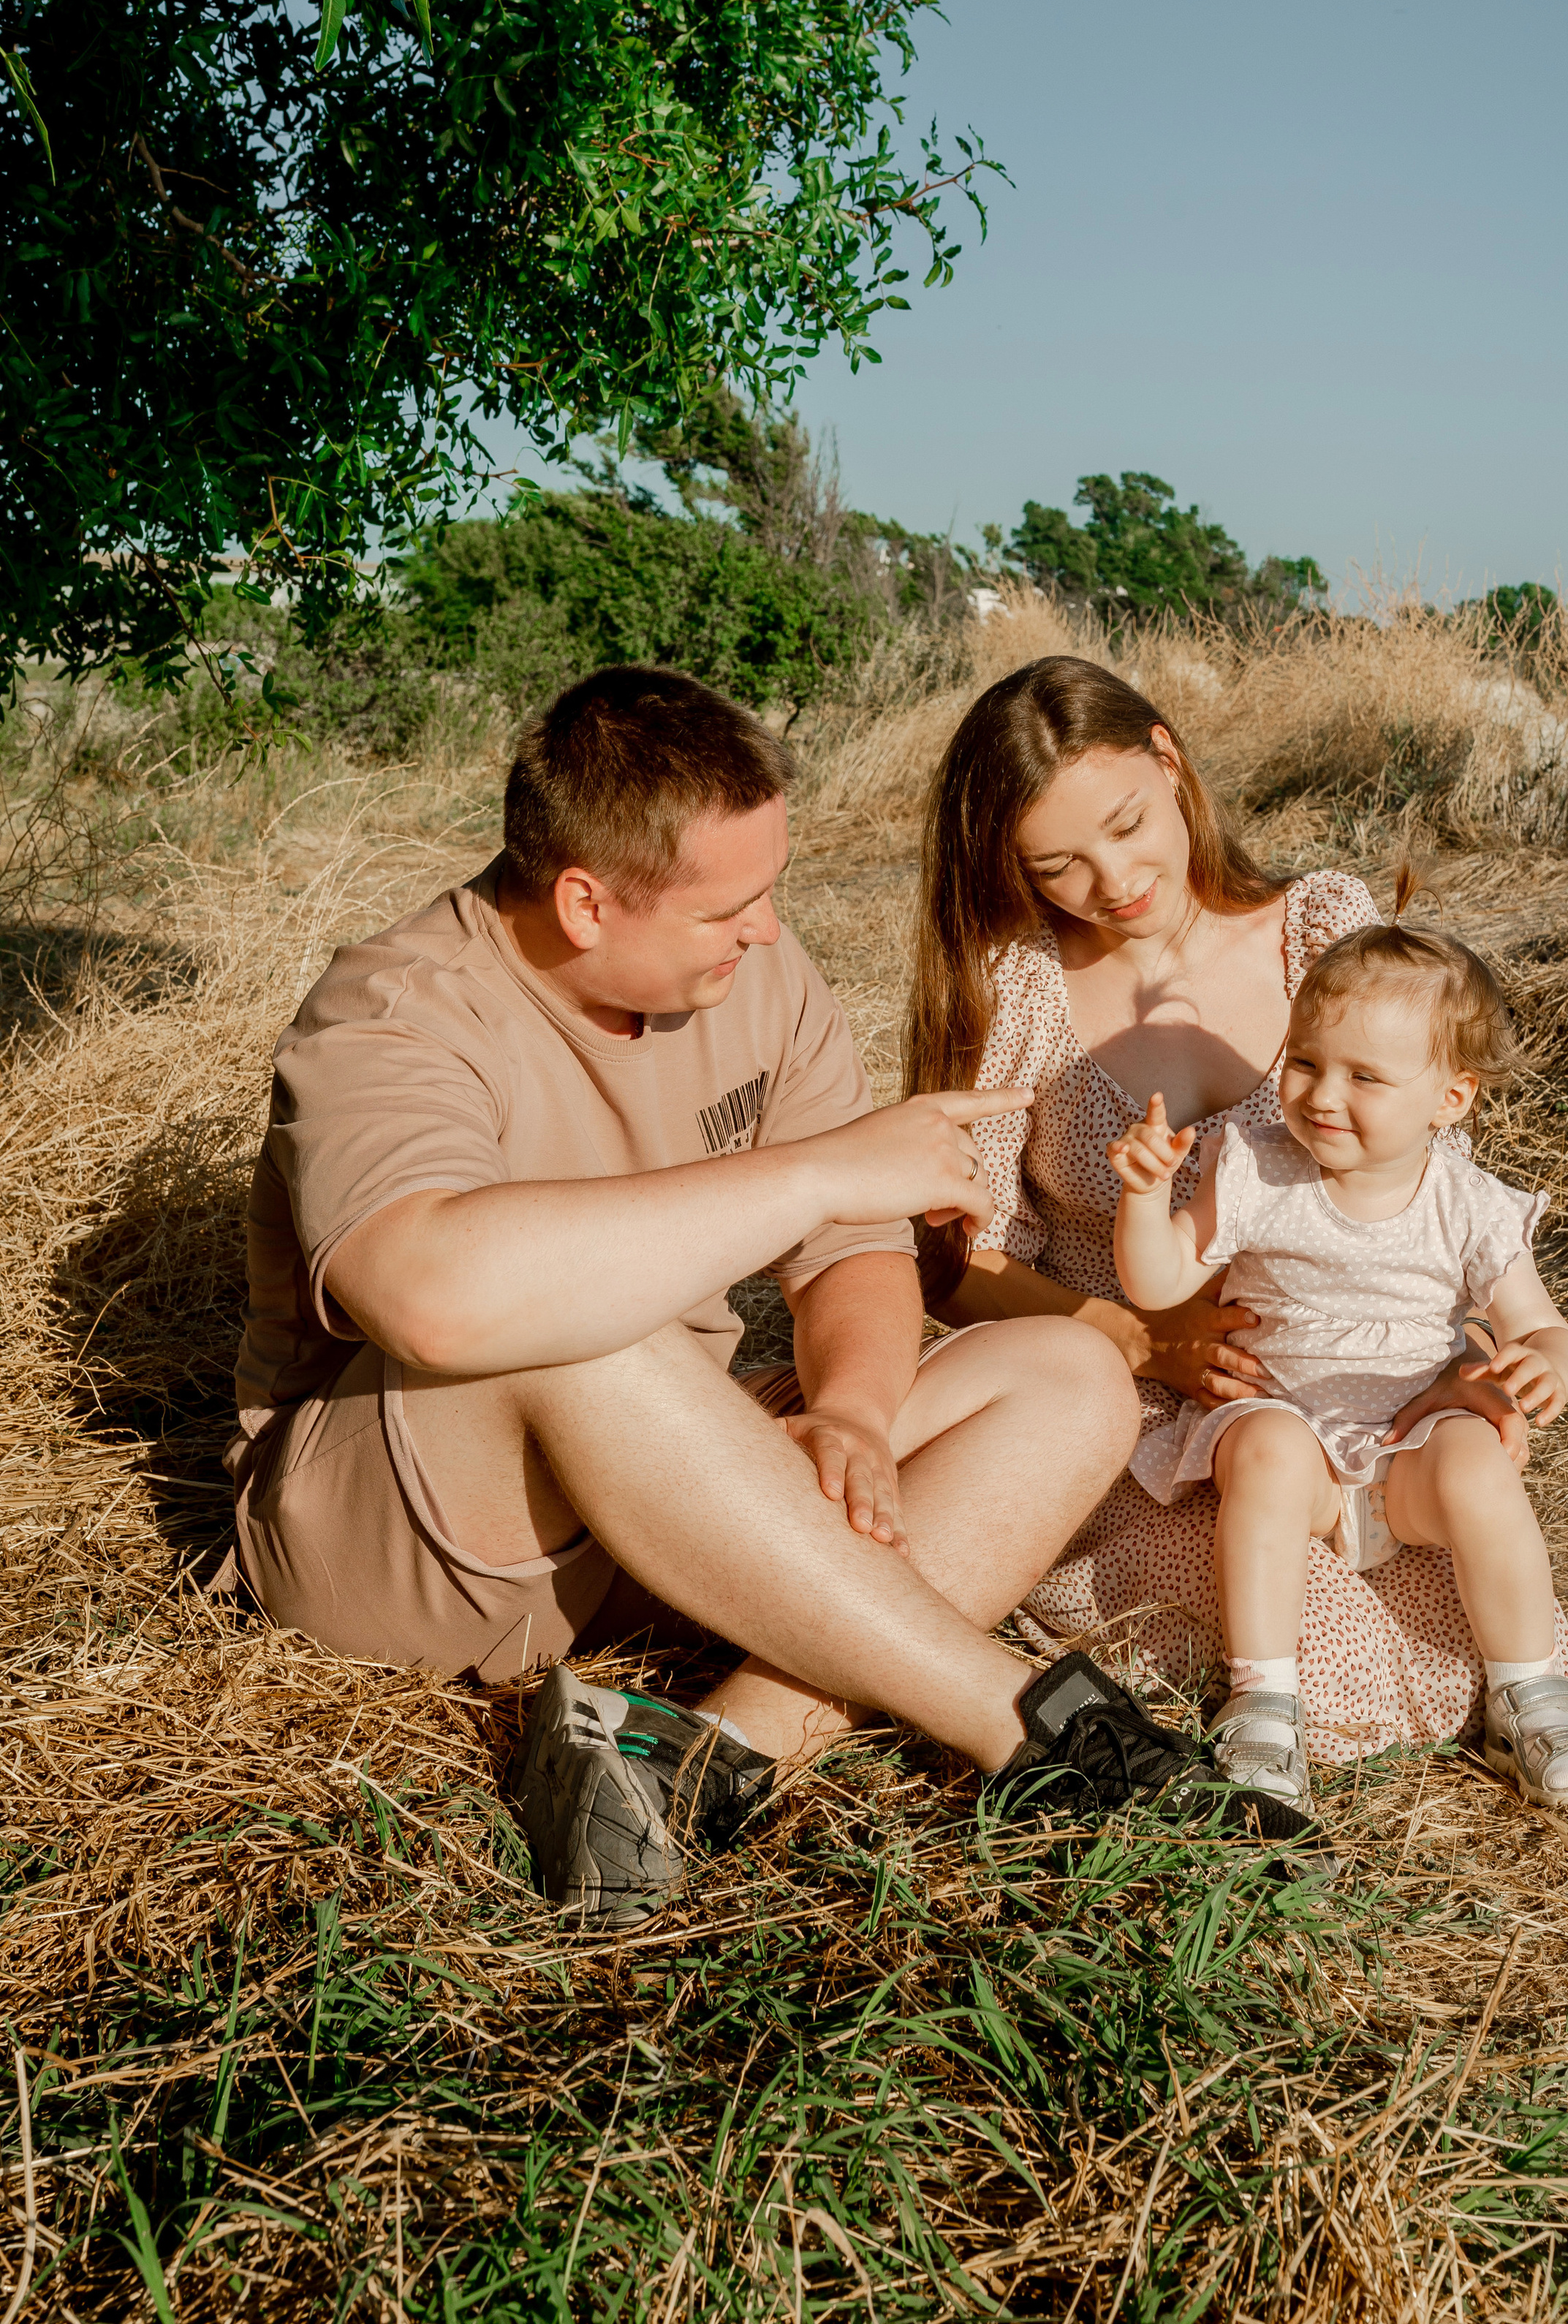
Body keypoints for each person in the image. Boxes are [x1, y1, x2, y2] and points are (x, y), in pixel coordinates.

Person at [224, 665, 1237, 1926]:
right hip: (412, 1540)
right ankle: (1019, 1725)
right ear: (586, 903)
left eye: (773, 892)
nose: (766, 932)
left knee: (1071, 1376)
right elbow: (432, 1298)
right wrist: (811, 1169)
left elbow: (854, 1240)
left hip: (662, 1489)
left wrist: (858, 1412)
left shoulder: (749, 971)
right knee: (576, 1314)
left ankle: (685, 1760)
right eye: (730, 908)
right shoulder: (394, 1011)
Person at [904, 654, 1568, 1758]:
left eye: (1126, 825)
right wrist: (1138, 1341)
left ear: (1168, 759)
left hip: (1361, 1402)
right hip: (1138, 1427)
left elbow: (1423, 1188)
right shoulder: (1014, 984)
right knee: (1322, 1652)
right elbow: (959, 1258)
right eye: (1058, 864)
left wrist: (1462, 1365)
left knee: (1480, 1631)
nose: (1112, 880)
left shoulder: (1322, 925)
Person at [1107, 887, 1568, 1825]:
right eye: (1303, 1062)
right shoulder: (1255, 1165)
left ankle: (1531, 1697)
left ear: (1450, 1098)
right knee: (1262, 1451)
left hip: (1404, 1449)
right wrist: (1144, 1199)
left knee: (1476, 1460)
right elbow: (1157, 1278)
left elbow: (1543, 1327)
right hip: (1287, 1437)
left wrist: (1546, 1367)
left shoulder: (1466, 1203)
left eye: (1365, 1078)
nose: (1321, 1095)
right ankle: (1263, 1704)